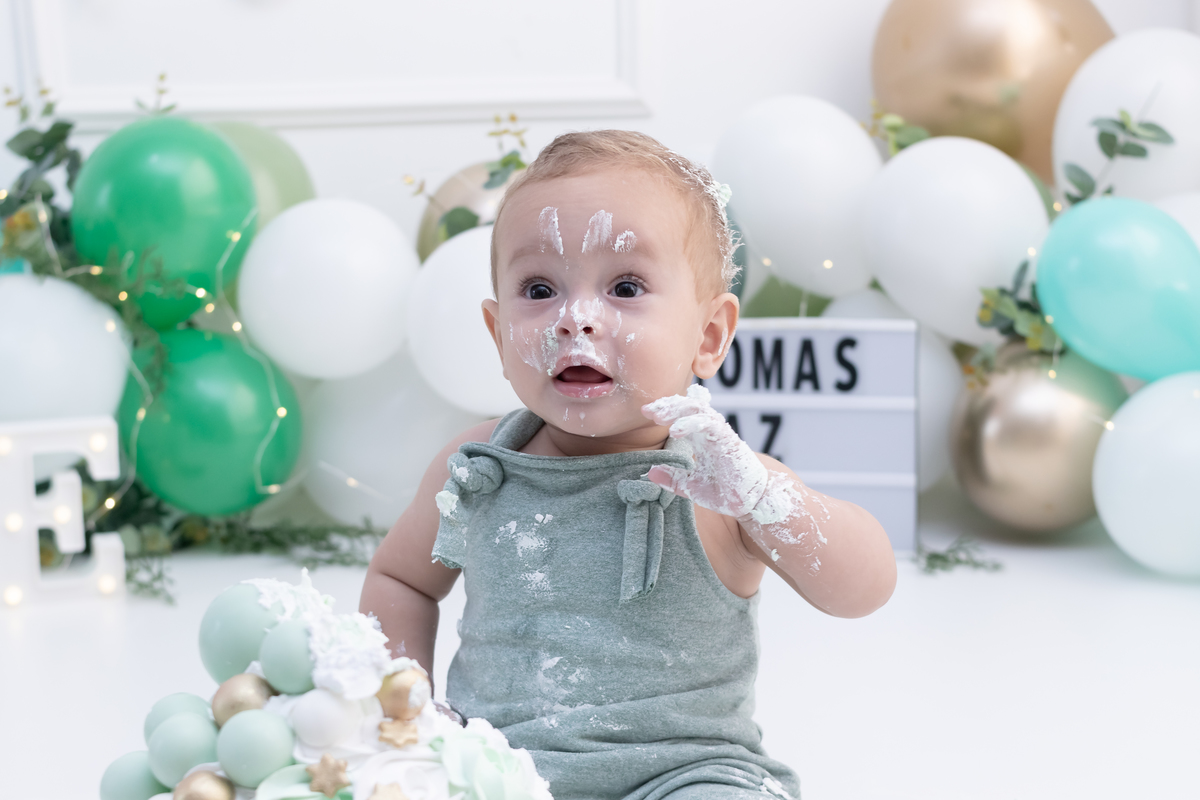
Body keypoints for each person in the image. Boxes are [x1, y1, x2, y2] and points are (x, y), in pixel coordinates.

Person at [360, 130, 897, 800]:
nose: (575, 318)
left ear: (708, 338)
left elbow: (864, 589)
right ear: (498, 336)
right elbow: (401, 580)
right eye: (539, 289)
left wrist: (764, 498)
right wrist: (406, 706)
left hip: (684, 774)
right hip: (497, 772)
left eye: (625, 286)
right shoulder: (474, 470)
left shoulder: (720, 482)